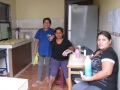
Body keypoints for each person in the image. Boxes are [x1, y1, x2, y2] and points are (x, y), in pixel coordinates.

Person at [32, 18, 54, 87]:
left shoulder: (52, 31)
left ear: (50, 24)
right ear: (43, 23)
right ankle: (39, 80)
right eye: (45, 22)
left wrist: (53, 36)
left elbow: (59, 35)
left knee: (48, 65)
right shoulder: (40, 31)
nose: (46, 24)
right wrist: (35, 50)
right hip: (41, 51)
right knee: (40, 65)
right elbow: (36, 41)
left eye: (48, 22)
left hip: (49, 51)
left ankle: (47, 77)